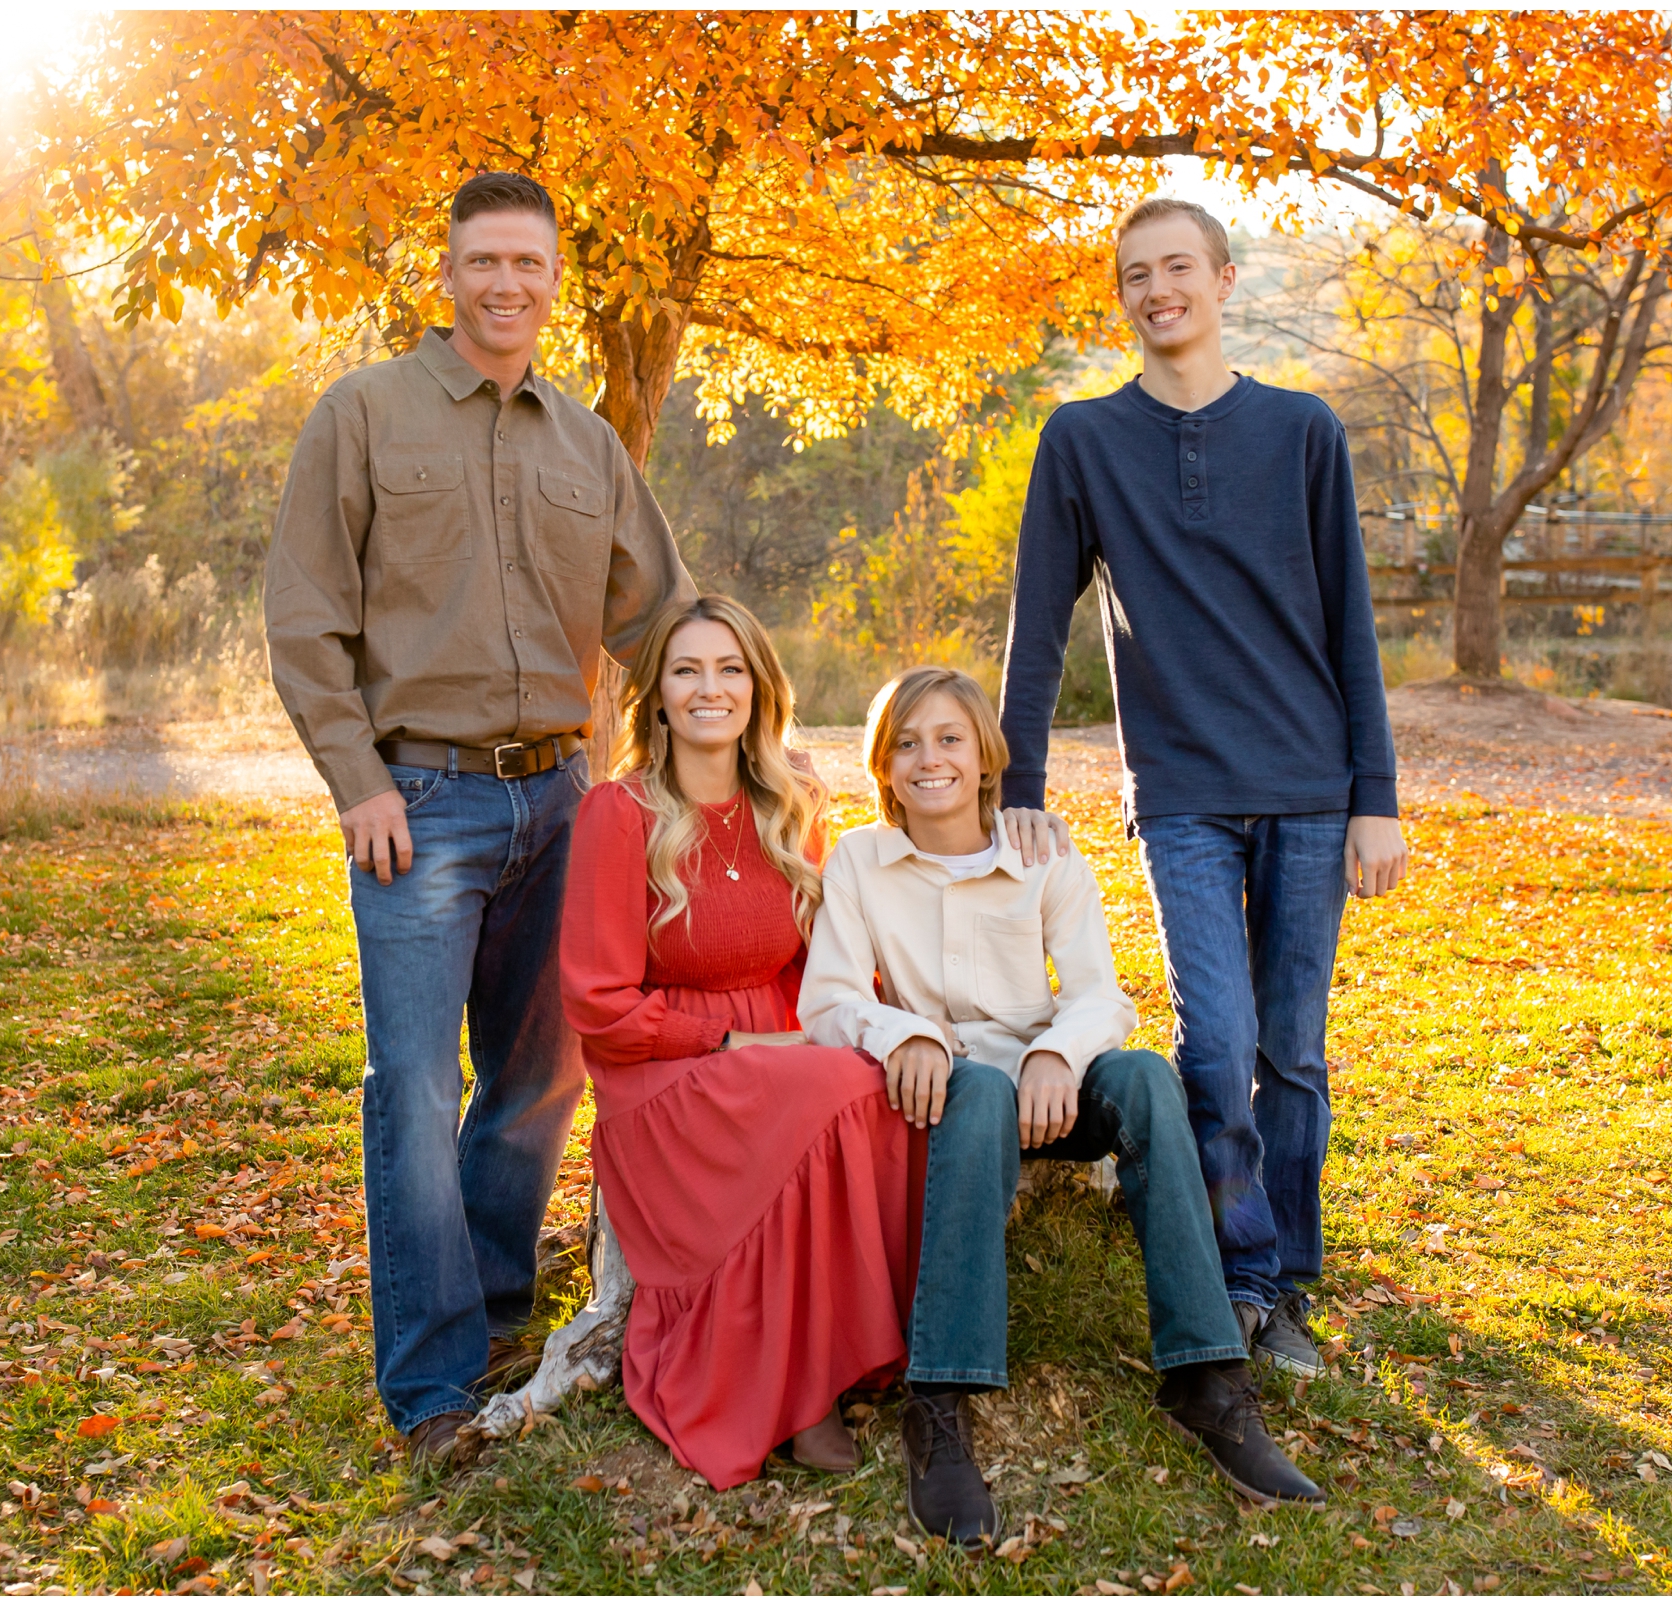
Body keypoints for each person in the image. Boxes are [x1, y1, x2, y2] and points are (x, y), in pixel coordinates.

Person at [264, 171, 696, 1466]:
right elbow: (304, 615)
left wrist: (711, 760)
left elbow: (661, 616)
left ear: (556, 282)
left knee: (542, 1070)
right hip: (419, 799)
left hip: (567, 796)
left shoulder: (590, 444)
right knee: (412, 1083)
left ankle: (499, 1298)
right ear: (445, 275)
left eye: (531, 265)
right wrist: (358, 778)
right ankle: (433, 1379)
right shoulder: (365, 415)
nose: (508, 284)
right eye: (484, 262)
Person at [994, 197, 1410, 1381]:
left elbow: (1353, 627)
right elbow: (1039, 622)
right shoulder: (1082, 440)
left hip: (1310, 785)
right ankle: (1239, 1274)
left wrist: (1373, 793)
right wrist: (1017, 779)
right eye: (1136, 273)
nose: (1158, 288)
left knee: (1295, 1050)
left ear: (1225, 280)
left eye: (1179, 266)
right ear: (1120, 296)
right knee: (1216, 1042)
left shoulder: (1302, 431)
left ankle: (1285, 1275)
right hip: (1178, 790)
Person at [800, 667, 1323, 1541]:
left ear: (983, 756)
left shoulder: (1040, 852)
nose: (928, 758)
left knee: (1150, 1076)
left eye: (949, 739)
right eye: (906, 743)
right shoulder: (859, 861)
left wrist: (1054, 1053)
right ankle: (941, 1404)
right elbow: (830, 1000)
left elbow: (1099, 996)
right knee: (972, 1089)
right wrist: (906, 1034)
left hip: (1053, 1093)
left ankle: (1206, 1378)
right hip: (947, 1095)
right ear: (883, 766)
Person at [557, 595, 918, 1490]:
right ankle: (794, 1392)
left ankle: (852, 1352)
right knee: (826, 1096)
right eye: (688, 670)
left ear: (758, 689)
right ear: (659, 696)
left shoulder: (788, 798)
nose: (710, 688)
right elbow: (597, 1002)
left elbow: (821, 958)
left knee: (877, 1087)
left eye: (730, 670)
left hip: (783, 1039)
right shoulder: (620, 811)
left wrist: (870, 1027)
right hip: (667, 1067)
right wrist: (725, 1043)